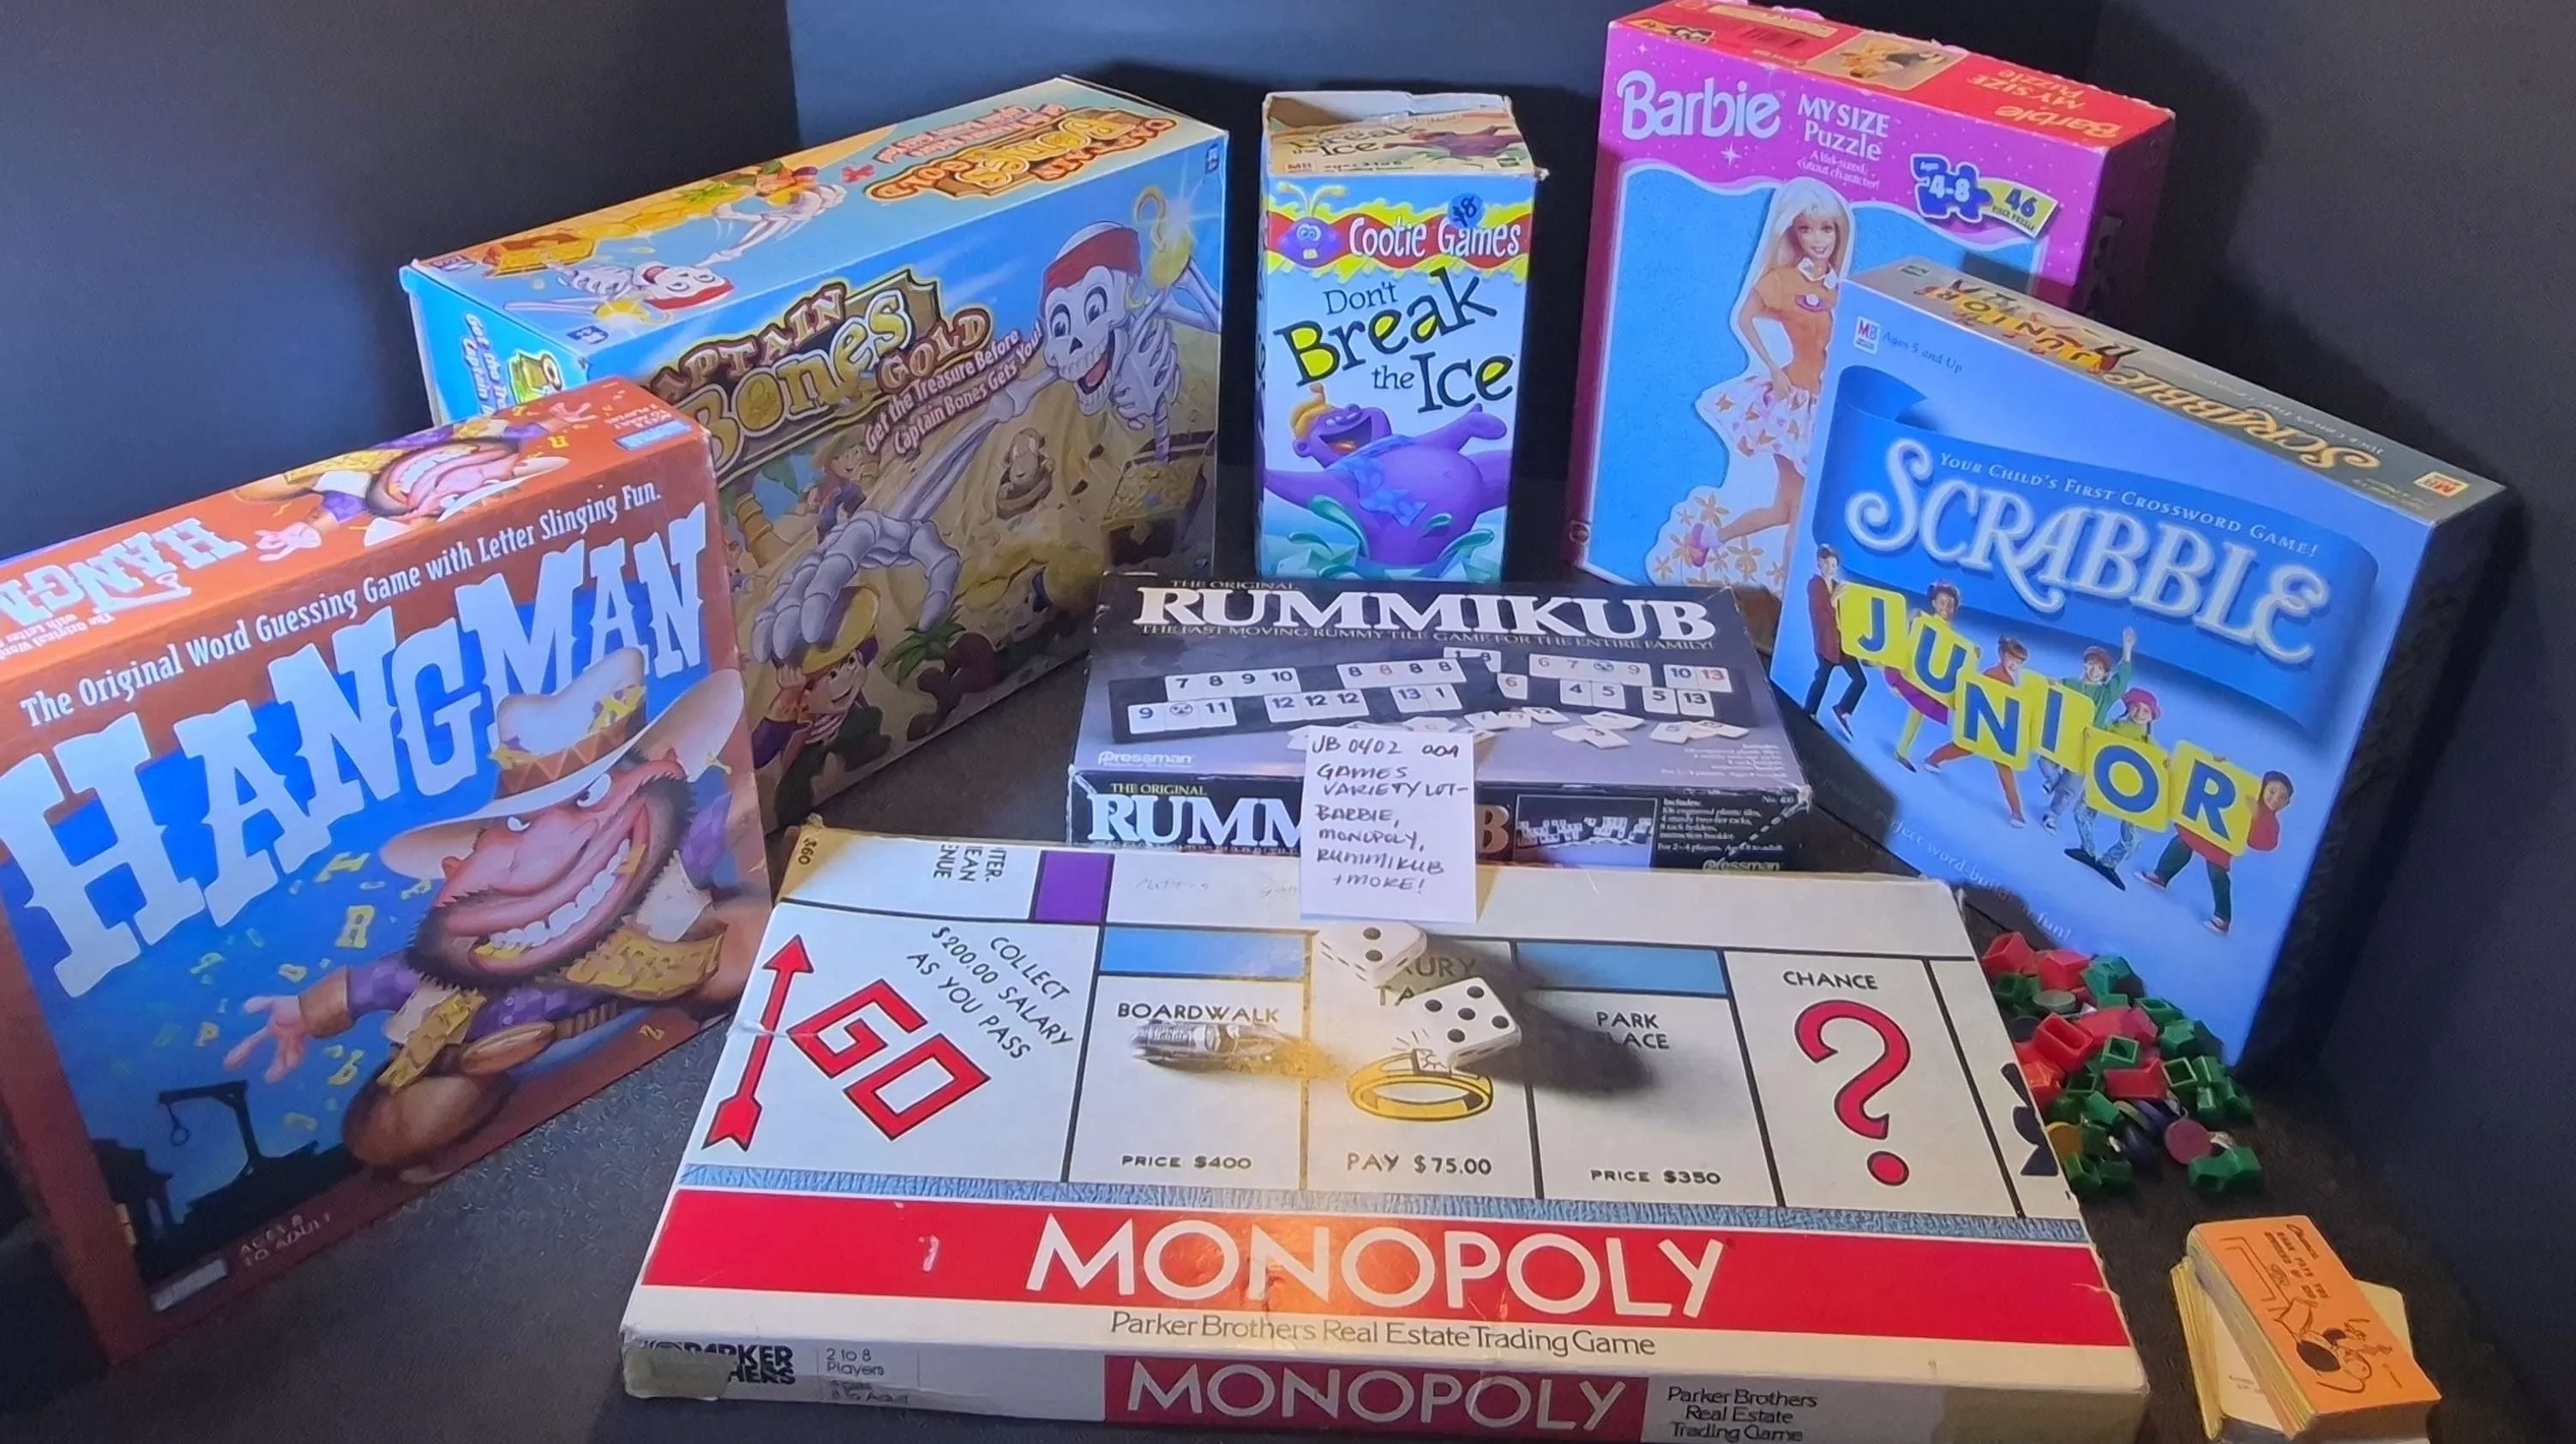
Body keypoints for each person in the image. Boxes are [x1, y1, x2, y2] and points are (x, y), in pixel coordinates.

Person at [1696, 178, 1853, 555]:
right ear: (1793, 233)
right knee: (1800, 510)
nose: (1818, 239)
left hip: (1825, 405)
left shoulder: (1841, 290)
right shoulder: (1783, 280)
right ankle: (1788, 588)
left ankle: (1709, 538)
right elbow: (1744, 318)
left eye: (1827, 228)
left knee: (1785, 509)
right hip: (1797, 403)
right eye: (1806, 228)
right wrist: (1773, 369)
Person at [2141, 770, 2294, 935]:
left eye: (2282, 797)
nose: (2275, 799)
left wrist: (2258, 818)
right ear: (2263, 788)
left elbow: (2264, 843)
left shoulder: (2269, 821)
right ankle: (2161, 876)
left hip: (2220, 846)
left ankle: (2222, 917)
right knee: (2180, 845)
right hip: (2201, 828)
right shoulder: (2247, 793)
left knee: (2217, 876)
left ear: (2287, 803)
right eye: (2272, 792)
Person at [1923, 636, 2031, 824]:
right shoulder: (1996, 675)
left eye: (2019, 662)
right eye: (2011, 658)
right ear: (2002, 655)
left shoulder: (2007, 678)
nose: (2014, 664)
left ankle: (2016, 811)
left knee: (1995, 763)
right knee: (1966, 748)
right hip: (1986, 726)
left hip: (1994, 729)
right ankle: (2016, 812)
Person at [2039, 626, 2137, 830]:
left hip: (2085, 747)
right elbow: (2050, 691)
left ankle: (2052, 815)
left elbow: (2121, 682)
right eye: (2092, 664)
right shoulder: (2070, 683)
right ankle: (2054, 780)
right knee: (2045, 763)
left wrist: (2127, 649)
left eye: (2100, 668)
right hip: (2063, 739)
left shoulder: (2105, 694)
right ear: (2085, 664)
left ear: (2104, 674)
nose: (2095, 670)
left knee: (2071, 786)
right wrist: (2049, 684)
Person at [2065, 686, 2159, 887]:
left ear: (2151, 716)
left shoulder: (2151, 746)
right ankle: (2087, 850)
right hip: (2104, 782)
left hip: (2133, 792)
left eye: (2145, 710)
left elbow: (2158, 768)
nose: (2139, 713)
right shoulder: (2112, 727)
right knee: (2081, 812)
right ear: (2128, 707)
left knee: (2133, 839)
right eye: (2136, 707)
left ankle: (2109, 862)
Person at [1888, 580, 1961, 771]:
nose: (1946, 608)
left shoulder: (1950, 633)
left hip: (1928, 679)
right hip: (1914, 670)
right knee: (1915, 710)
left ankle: (1902, 751)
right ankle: (1902, 751)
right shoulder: (1922, 620)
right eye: (1942, 602)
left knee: (1917, 713)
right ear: (1934, 603)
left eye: (1950, 604)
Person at [1799, 543, 1865, 735]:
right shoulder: (1815, 584)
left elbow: (1850, 615)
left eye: (1834, 564)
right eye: (1827, 563)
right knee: (1822, 678)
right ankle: (1809, 711)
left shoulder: (1839, 586)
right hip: (1826, 643)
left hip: (1843, 644)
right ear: (1819, 563)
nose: (1830, 568)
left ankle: (1842, 709)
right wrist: (1833, 599)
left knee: (1860, 680)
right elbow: (1819, 615)